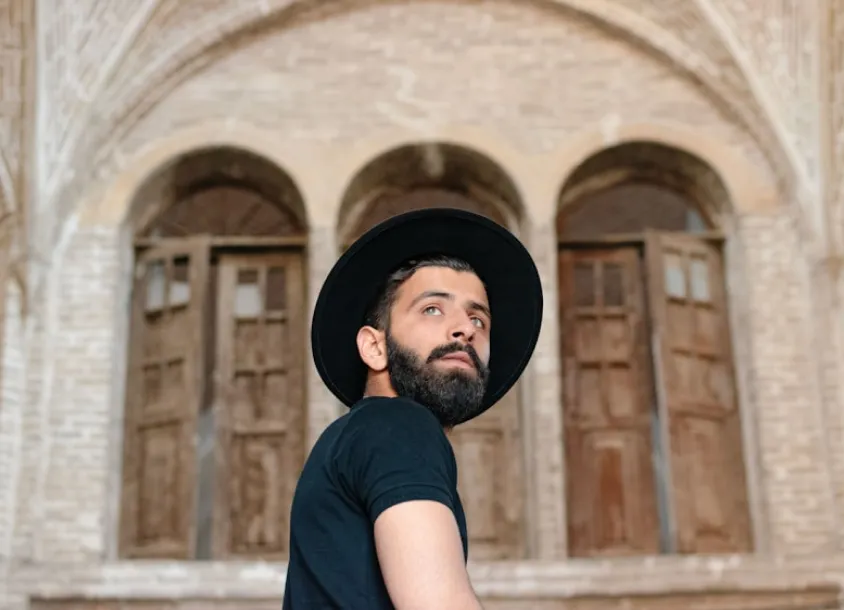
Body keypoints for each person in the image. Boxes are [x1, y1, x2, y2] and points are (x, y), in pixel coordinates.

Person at [282, 207, 543, 610]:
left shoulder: (353, 437)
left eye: (478, 319)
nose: (465, 329)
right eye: (432, 309)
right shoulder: (397, 424)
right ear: (375, 346)